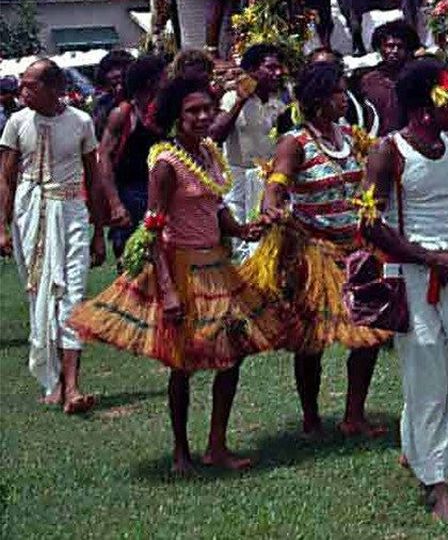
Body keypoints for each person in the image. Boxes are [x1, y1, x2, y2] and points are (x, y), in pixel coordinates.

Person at [69, 77, 293, 474]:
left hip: (217, 266)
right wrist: (168, 292)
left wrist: (242, 229)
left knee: (232, 356)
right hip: (180, 268)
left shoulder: (208, 152)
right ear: (176, 116)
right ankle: (180, 452)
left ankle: (217, 446)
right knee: (182, 362)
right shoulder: (165, 163)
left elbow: (215, 204)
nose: (204, 116)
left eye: (207, 108)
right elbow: (154, 228)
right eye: (193, 111)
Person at [358, 58, 448, 519]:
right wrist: (431, 258)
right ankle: (436, 483)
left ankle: (414, 450)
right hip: (412, 279)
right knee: (428, 381)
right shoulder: (388, 152)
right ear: (424, 110)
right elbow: (370, 226)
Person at [255, 61, 390, 438]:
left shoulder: (350, 134)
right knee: (310, 340)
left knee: (369, 332)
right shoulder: (294, 143)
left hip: (356, 250)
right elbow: (277, 184)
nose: (344, 98)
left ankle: (353, 414)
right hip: (314, 252)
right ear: (317, 101)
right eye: (336, 92)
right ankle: (311, 416)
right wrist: (271, 206)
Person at [0, 59, 114, 415]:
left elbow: (93, 179)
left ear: (53, 89)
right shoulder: (17, 123)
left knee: (73, 294)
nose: (22, 92)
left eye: (30, 86)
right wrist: (2, 226)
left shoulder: (80, 121)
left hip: (71, 213)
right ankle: (54, 382)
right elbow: (6, 177)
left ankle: (73, 386)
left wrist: (99, 232)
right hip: (30, 214)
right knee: (39, 295)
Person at [211, 43, 289, 229]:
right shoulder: (231, 99)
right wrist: (240, 100)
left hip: (268, 182)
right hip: (237, 179)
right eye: (270, 68)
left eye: (279, 68)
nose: (277, 73)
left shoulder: (279, 104)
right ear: (252, 70)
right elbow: (215, 134)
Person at [98, 53, 167, 260]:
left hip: (161, 191)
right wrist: (115, 204)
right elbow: (104, 158)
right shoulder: (123, 114)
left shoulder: (165, 112)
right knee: (133, 258)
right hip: (130, 194)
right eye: (165, 77)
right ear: (152, 82)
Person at [360, 21, 420, 137]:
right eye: (390, 46)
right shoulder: (368, 81)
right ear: (380, 47)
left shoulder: (417, 77)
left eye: (400, 47)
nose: (395, 51)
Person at [91, 50, 134, 135]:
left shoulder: (139, 100)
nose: (117, 74)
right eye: (111, 70)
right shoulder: (103, 103)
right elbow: (98, 131)